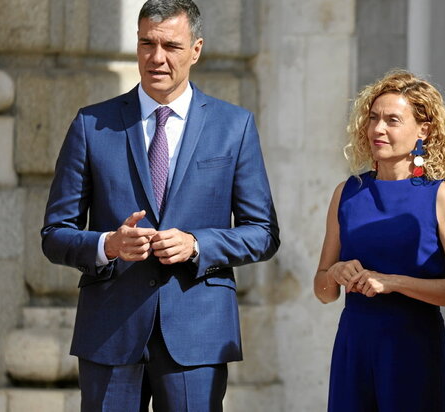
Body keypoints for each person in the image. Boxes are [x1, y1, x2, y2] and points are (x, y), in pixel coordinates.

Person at [41, 0, 280, 410]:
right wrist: (108, 246)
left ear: (196, 50)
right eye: (146, 44)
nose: (157, 58)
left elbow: (263, 233)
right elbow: (54, 234)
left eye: (170, 46)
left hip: (197, 334)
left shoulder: (234, 126)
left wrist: (197, 244)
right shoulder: (91, 124)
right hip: (110, 334)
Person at [313, 69, 445, 412]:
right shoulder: (346, 193)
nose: (378, 129)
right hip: (354, 346)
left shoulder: (441, 196)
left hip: (411, 349)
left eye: (392, 120)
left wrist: (393, 283)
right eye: (373, 118)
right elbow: (323, 290)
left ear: (424, 130)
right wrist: (336, 273)